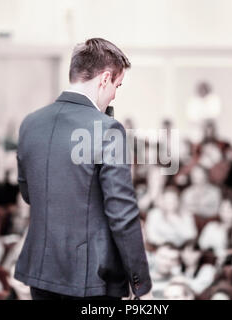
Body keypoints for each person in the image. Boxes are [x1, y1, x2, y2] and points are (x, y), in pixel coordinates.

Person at [14, 38, 152, 300]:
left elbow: (29, 194)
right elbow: (121, 213)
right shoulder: (107, 129)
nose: (114, 95)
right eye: (117, 86)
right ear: (104, 79)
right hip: (93, 277)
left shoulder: (30, 124)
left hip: (42, 270)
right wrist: (140, 281)